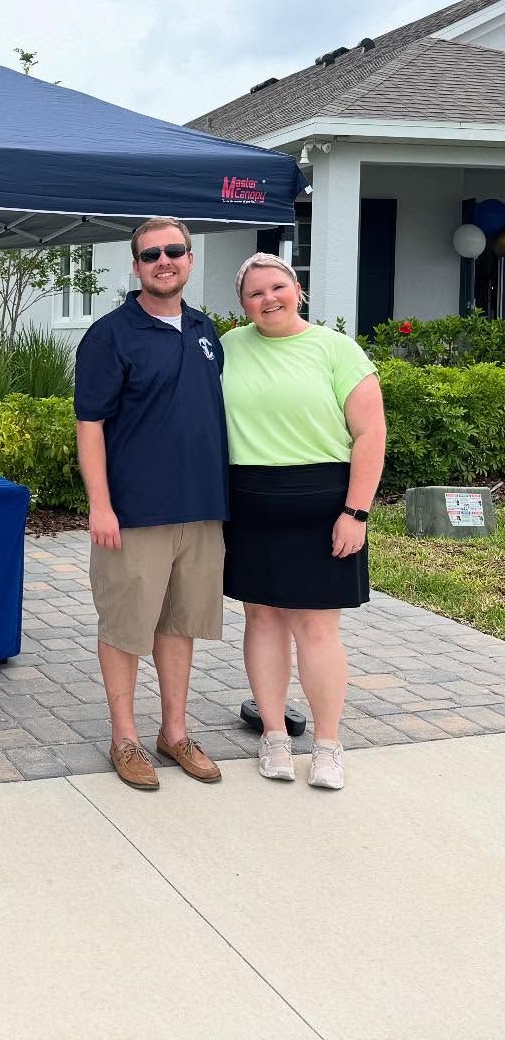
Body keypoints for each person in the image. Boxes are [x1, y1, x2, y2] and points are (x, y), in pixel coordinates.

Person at [221, 254, 386, 790]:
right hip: (250, 505)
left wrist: (356, 512)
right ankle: (272, 735)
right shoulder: (227, 349)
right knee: (262, 619)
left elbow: (370, 436)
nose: (268, 299)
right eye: (255, 293)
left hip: (324, 509)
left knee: (316, 626)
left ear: (298, 290)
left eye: (278, 287)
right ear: (242, 304)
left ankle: (328, 745)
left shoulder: (336, 349)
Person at [75, 218, 227, 790]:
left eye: (175, 251)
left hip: (200, 508)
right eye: (151, 254)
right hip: (135, 513)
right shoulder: (111, 335)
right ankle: (124, 738)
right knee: (125, 626)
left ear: (189, 259)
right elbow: (90, 425)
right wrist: (101, 505)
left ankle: (175, 732)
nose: (164, 261)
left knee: (178, 623)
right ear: (135, 266)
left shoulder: (206, 331)